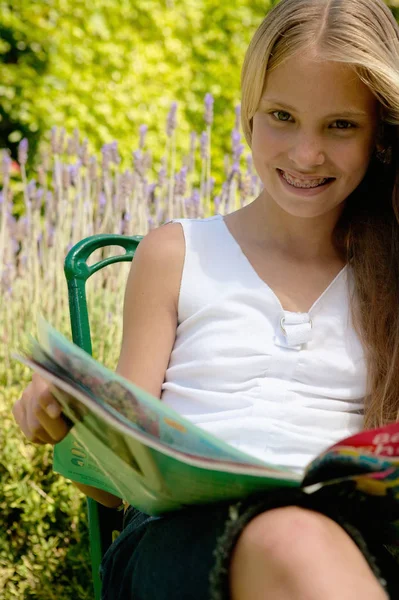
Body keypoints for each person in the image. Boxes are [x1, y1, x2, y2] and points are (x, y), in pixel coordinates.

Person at [12, 0, 399, 597]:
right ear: (247, 113)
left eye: (340, 125)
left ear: (380, 135)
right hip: (174, 544)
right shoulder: (177, 254)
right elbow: (117, 484)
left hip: (347, 543)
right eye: (282, 116)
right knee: (290, 538)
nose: (305, 154)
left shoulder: (387, 274)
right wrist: (72, 424)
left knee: (302, 538)